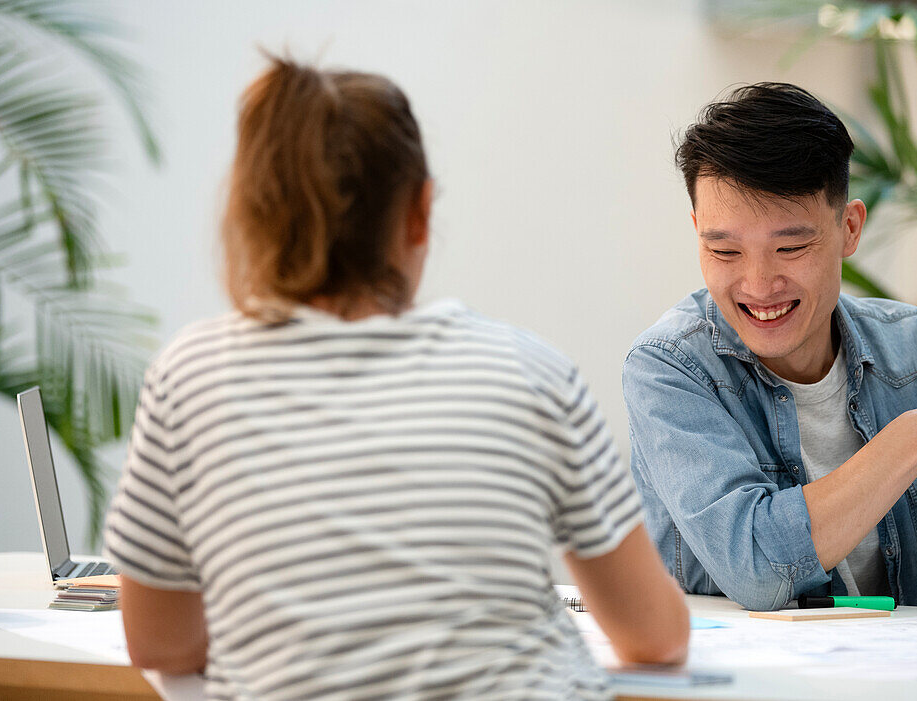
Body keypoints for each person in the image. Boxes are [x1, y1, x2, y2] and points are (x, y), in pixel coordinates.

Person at [103, 56, 688, 700]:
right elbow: (655, 635)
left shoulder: (190, 377)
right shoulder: (530, 372)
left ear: (254, 214)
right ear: (419, 212)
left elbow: (159, 643)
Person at [622, 82, 917, 612]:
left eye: (791, 247)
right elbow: (757, 567)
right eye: (724, 250)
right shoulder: (670, 368)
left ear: (849, 228)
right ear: (697, 233)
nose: (758, 284)